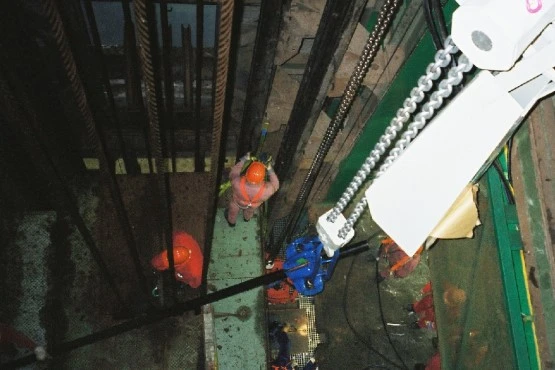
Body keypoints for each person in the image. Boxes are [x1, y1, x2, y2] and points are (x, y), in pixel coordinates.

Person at [225, 152, 279, 227]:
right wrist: (269, 168)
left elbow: (233, 173)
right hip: (253, 205)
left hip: (238, 202)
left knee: (233, 211)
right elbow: (276, 184)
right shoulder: (268, 190)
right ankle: (246, 219)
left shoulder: (236, 183)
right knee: (249, 211)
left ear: (247, 173)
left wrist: (244, 159)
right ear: (263, 178)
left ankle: (231, 223)